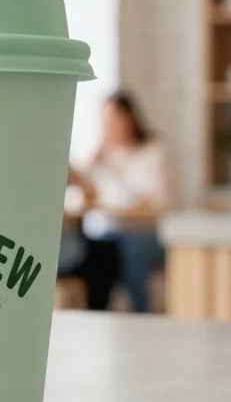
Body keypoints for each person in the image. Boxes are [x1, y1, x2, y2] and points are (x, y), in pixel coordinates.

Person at [61, 90, 172, 313]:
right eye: (104, 121)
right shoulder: (102, 156)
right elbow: (79, 187)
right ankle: (99, 313)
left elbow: (159, 204)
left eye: (113, 120)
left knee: (130, 250)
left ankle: (140, 315)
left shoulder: (153, 152)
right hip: (110, 231)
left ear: (129, 117)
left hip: (145, 233)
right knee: (95, 252)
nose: (108, 126)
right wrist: (94, 160)